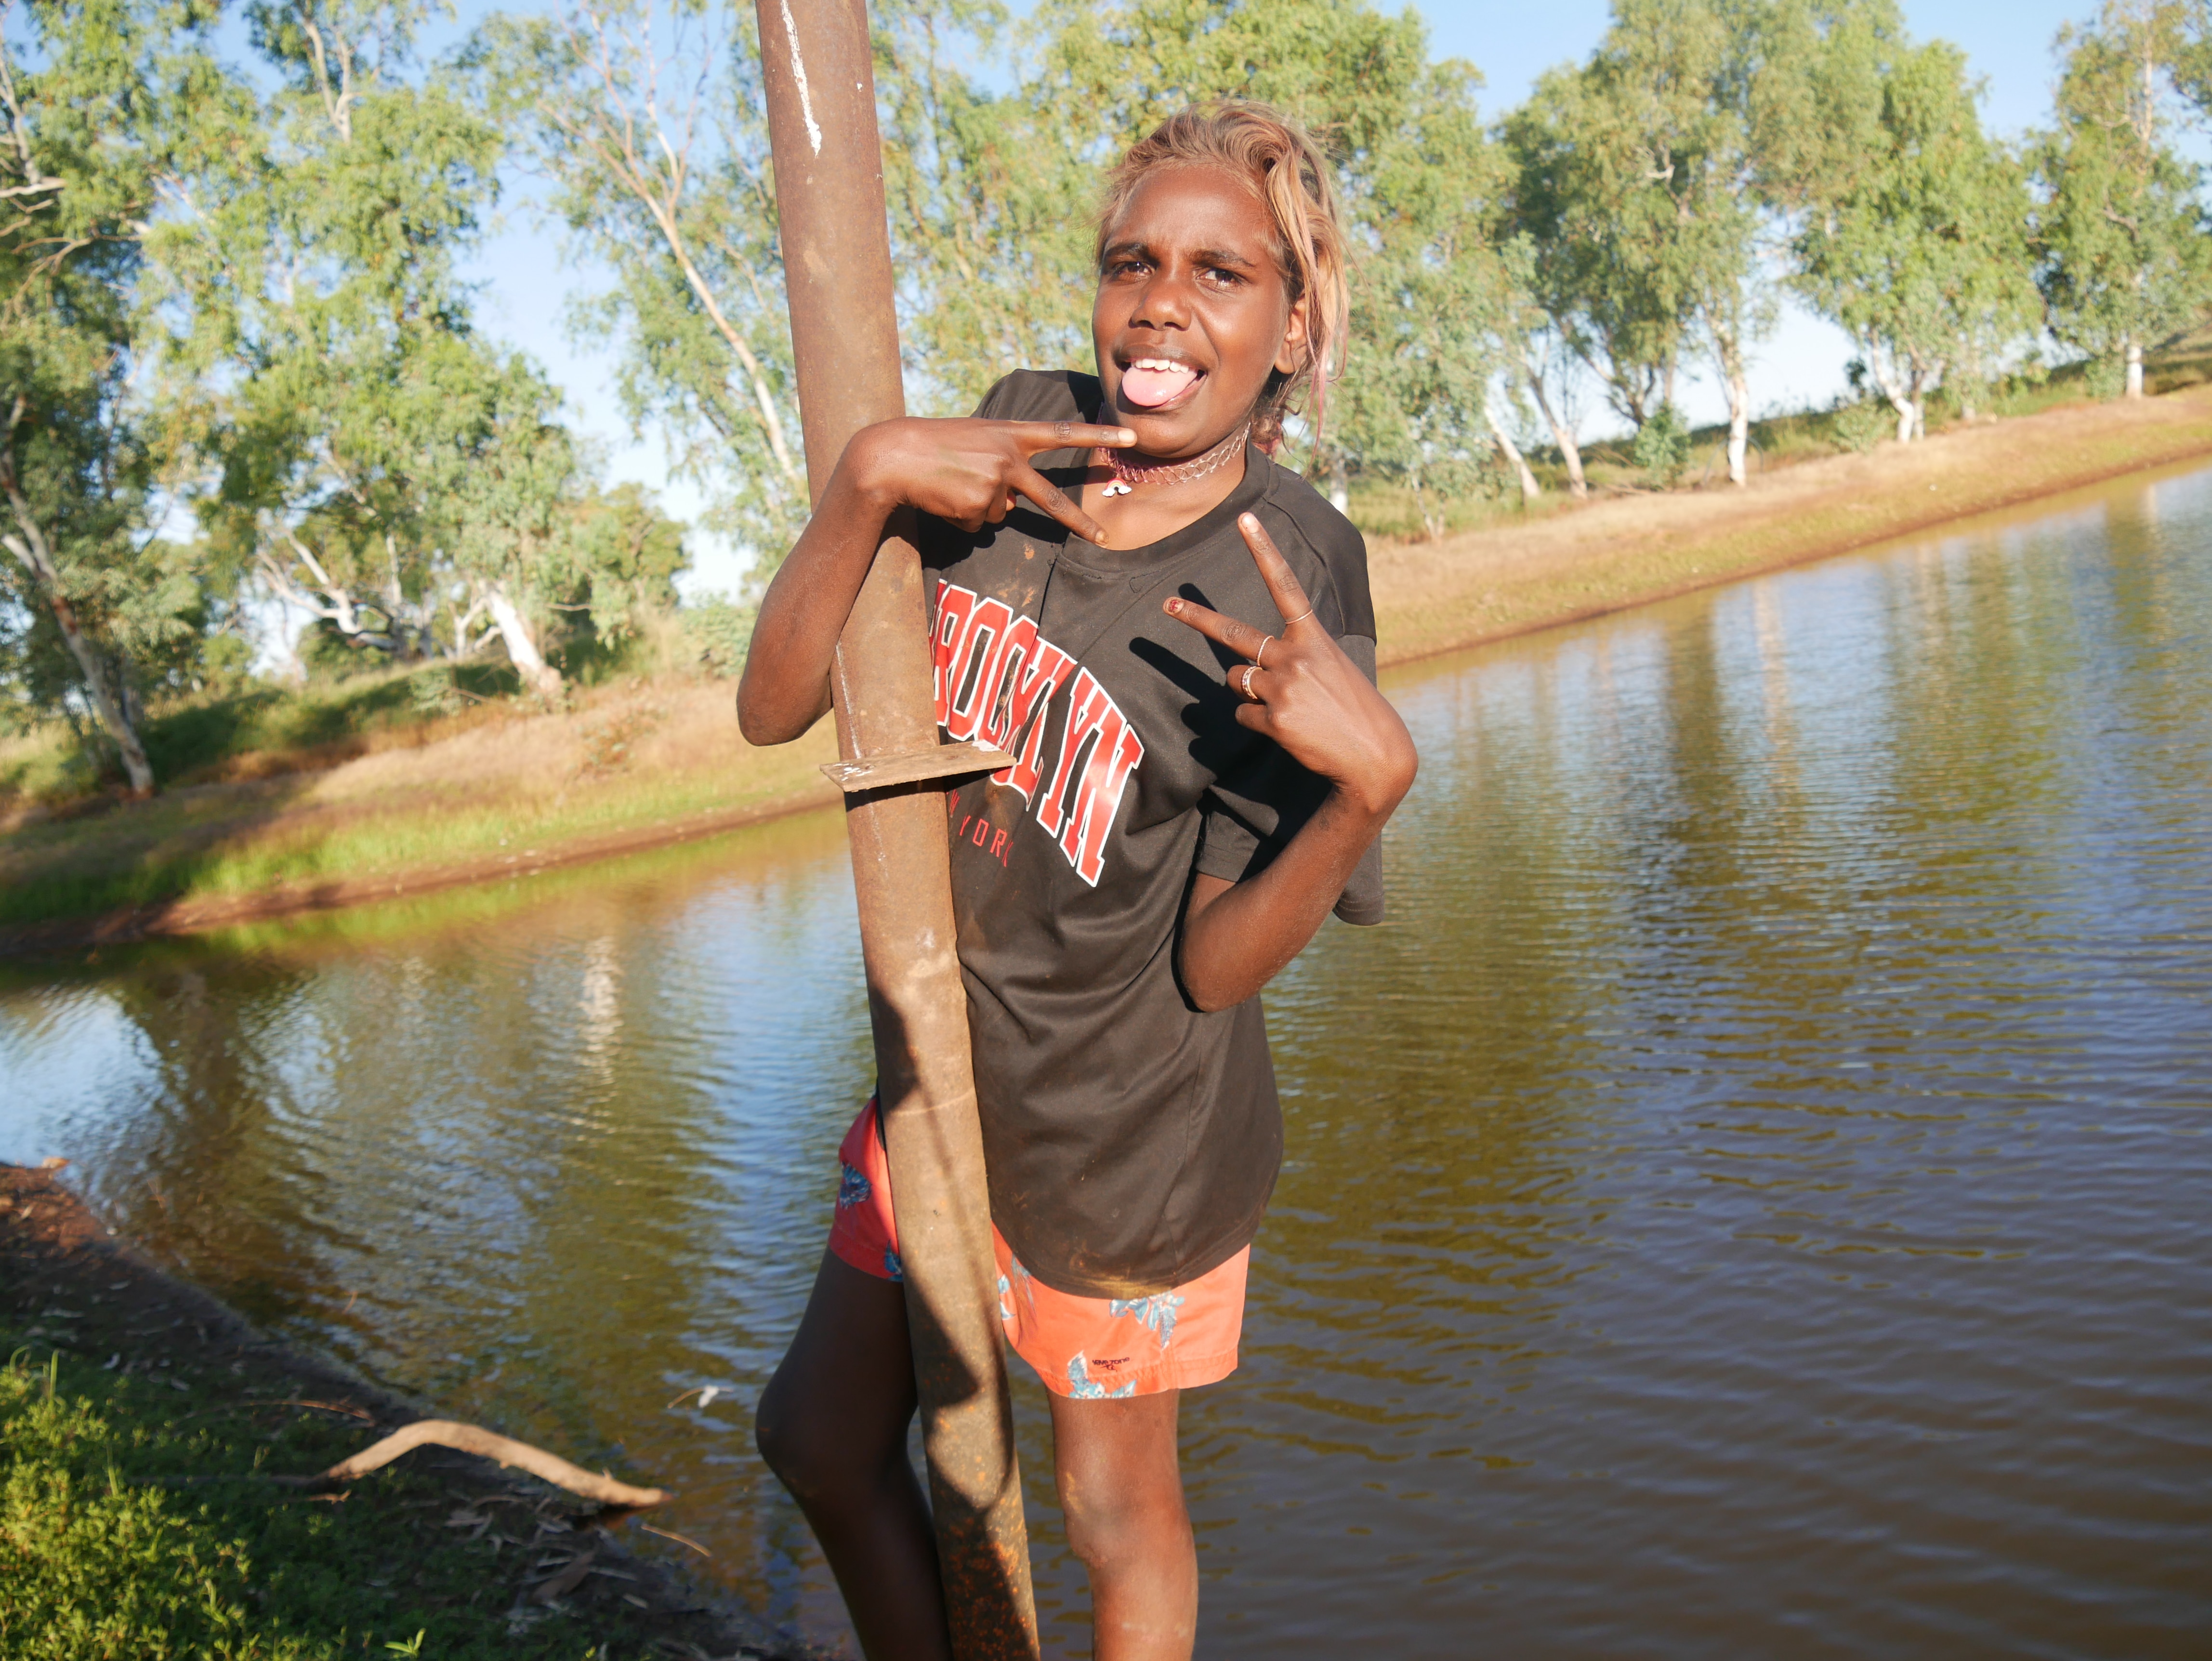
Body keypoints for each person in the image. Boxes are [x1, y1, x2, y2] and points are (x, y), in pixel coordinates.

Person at [738, 100, 1418, 1661]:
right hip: (938, 1079)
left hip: (1129, 1155)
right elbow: (777, 708)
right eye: (1133, 262)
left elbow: (1217, 968)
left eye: (1222, 273)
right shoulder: (1014, 432)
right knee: (821, 1439)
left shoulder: (1286, 566)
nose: (1162, 302)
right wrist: (866, 482)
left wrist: (1366, 791)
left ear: (1294, 325)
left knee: (1115, 1524)